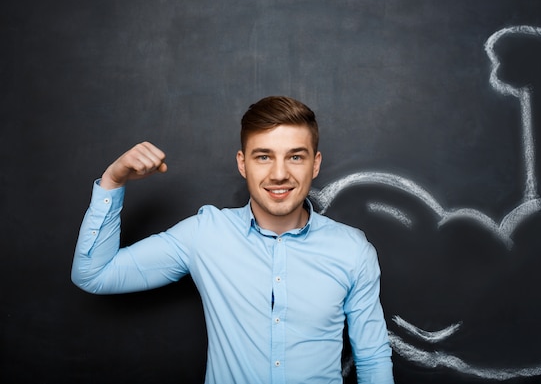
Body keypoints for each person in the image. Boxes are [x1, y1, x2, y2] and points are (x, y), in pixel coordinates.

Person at [71, 96, 394, 384]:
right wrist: (113, 181)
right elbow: (94, 275)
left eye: (295, 157)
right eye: (263, 157)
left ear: (315, 163)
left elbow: (372, 358)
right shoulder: (204, 234)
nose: (279, 173)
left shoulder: (352, 249)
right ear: (242, 163)